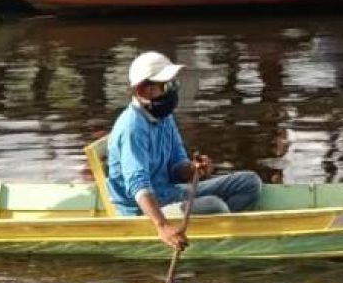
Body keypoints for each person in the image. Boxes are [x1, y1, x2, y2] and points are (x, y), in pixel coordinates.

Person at [106, 51, 262, 247]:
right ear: (143, 91)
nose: (171, 90)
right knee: (215, 205)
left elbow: (176, 168)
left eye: (172, 84)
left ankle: (216, 233)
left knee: (249, 183)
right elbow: (138, 186)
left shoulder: (163, 116)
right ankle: (220, 238)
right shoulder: (132, 128)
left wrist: (193, 168)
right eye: (164, 85)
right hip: (144, 209)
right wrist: (162, 226)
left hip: (170, 192)